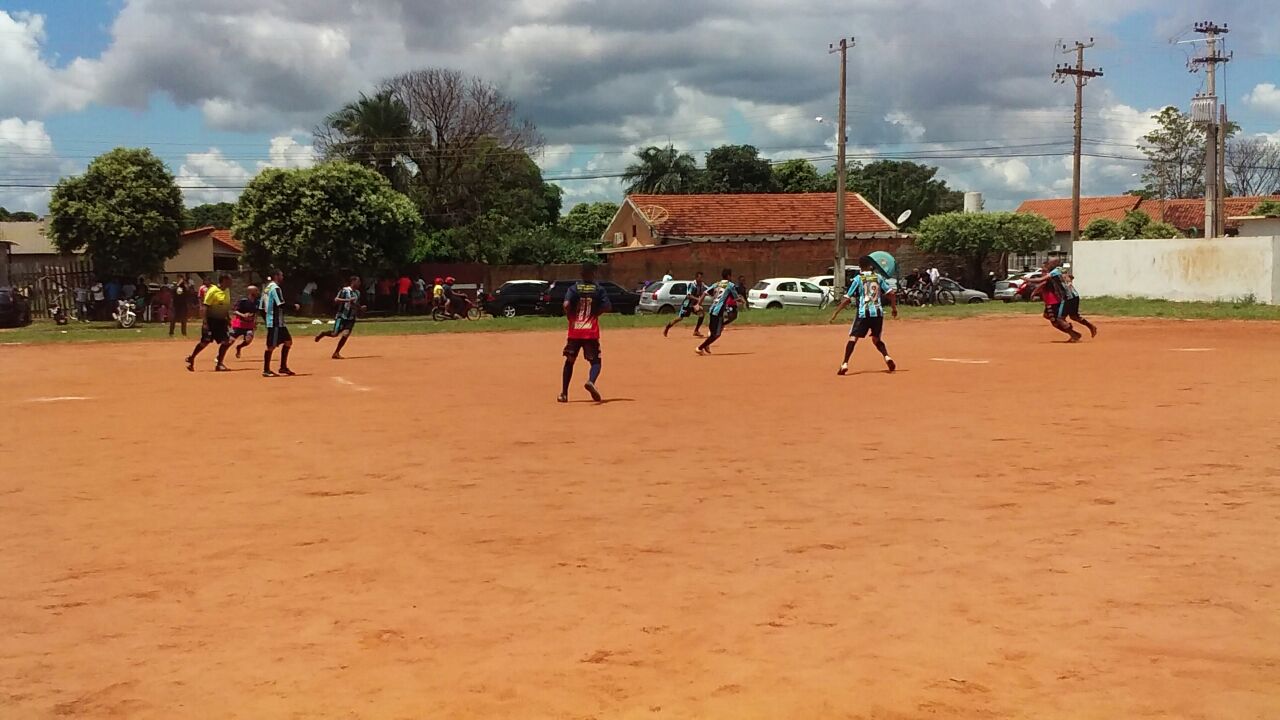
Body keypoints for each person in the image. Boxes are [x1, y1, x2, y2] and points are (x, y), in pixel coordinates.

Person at [829, 257, 898, 375]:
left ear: (860, 266)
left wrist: (836, 313)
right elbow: (891, 293)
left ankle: (845, 363)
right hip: (877, 313)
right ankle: (887, 357)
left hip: (863, 313)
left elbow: (847, 298)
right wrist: (894, 308)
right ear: (871, 265)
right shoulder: (878, 277)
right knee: (876, 339)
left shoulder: (858, 279)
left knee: (853, 338)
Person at [559, 262, 611, 403]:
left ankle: (564, 394)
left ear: (581, 274)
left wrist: (570, 316)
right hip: (590, 331)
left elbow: (566, 305)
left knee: (570, 361)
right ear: (593, 274)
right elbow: (607, 306)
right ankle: (591, 381)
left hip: (575, 331)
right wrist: (596, 312)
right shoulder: (598, 289)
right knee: (596, 362)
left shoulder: (573, 288)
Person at [185, 273, 234, 372]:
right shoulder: (212, 291)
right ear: (224, 281)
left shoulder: (227, 290)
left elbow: (225, 306)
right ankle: (192, 357)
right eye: (229, 281)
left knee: (227, 341)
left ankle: (219, 364)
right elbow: (205, 307)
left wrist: (228, 319)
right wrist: (205, 323)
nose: (231, 283)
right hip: (211, 321)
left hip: (221, 321)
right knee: (205, 342)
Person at [1028, 259, 1082, 343]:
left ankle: (1073, 334)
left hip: (1053, 301)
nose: (1042, 272)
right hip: (1051, 301)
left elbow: (1043, 283)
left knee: (1055, 321)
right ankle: (1072, 332)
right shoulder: (1053, 275)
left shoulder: (1050, 276)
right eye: (1042, 270)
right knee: (1047, 316)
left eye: (1044, 270)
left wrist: (1034, 292)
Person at [261, 270, 301, 377]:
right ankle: (266, 370)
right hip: (275, 322)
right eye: (281, 275)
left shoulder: (267, 288)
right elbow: (280, 304)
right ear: (276, 276)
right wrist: (294, 307)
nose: (282, 277)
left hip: (276, 322)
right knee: (271, 346)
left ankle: (283, 367)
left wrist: (266, 319)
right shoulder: (275, 288)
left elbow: (261, 306)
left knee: (288, 341)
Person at [695, 268, 742, 356]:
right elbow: (736, 297)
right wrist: (742, 300)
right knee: (716, 334)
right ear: (729, 276)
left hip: (712, 309)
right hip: (718, 311)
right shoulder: (730, 285)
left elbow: (705, 293)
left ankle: (706, 344)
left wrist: (698, 304)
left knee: (714, 331)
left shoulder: (716, 284)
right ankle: (700, 348)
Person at [314, 276, 363, 359]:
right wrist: (348, 300)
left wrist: (360, 308)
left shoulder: (358, 293)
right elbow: (336, 299)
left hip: (351, 317)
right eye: (358, 281)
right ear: (353, 282)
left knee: (346, 334)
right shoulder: (345, 290)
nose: (359, 283)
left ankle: (336, 352)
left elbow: (356, 303)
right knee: (334, 334)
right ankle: (323, 333)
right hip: (342, 316)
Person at [664, 271, 707, 337]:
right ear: (696, 278)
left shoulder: (702, 285)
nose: (701, 279)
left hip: (694, 305)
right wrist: (697, 299)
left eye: (702, 277)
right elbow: (688, 296)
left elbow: (707, 290)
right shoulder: (692, 285)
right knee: (680, 318)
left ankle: (696, 331)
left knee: (701, 314)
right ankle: (668, 326)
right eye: (700, 278)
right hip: (687, 305)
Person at [1062, 272, 1097, 338]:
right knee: (1073, 316)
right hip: (1071, 297)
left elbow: (1070, 277)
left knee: (1062, 318)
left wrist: (1067, 280)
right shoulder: (1057, 274)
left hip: (1071, 297)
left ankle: (1074, 334)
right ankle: (1090, 326)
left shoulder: (1056, 273)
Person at [230, 285, 261, 358]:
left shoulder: (257, 302)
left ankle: (239, 347)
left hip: (249, 325)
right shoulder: (243, 301)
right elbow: (235, 311)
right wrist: (243, 315)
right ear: (250, 292)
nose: (257, 292)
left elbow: (255, 313)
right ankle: (219, 356)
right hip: (239, 324)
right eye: (256, 290)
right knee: (230, 341)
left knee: (248, 340)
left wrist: (255, 323)